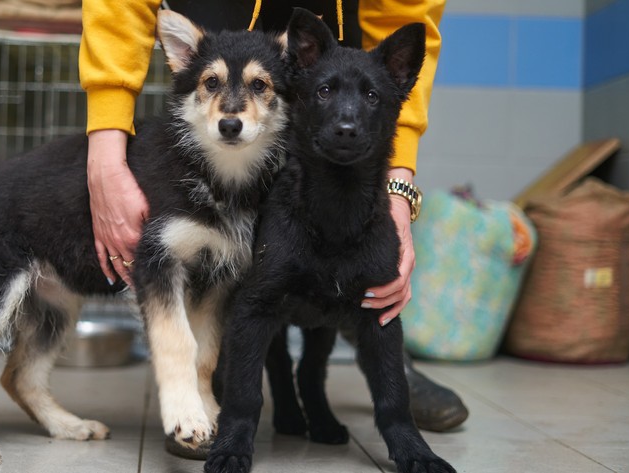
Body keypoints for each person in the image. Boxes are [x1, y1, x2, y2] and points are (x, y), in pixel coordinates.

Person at [79, 0, 467, 434]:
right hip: (217, 14)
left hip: (328, 28)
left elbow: (405, 14)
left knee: (329, 169)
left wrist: (395, 193)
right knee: (247, 239)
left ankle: (379, 350)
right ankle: (211, 375)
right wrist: (106, 158)